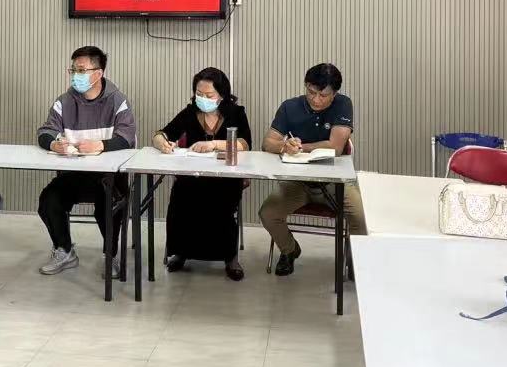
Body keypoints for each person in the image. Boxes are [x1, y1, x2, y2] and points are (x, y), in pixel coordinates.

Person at [36, 46, 136, 276]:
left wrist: (101, 145)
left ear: (98, 73)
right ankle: (64, 250)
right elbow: (46, 131)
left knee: (108, 207)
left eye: (81, 70)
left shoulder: (117, 101)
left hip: (110, 176)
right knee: (49, 201)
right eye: (73, 70)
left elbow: (127, 137)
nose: (75, 75)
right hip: (74, 174)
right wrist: (53, 144)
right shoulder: (64, 101)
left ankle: (111, 255)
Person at [258, 63, 365, 277]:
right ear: (306, 86)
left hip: (335, 183)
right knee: (268, 214)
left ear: (335, 93)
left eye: (323, 95)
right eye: (311, 92)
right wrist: (284, 146)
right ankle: (289, 250)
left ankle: (356, 260)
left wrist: (301, 147)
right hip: (298, 183)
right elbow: (267, 142)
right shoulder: (290, 106)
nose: (316, 100)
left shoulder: (343, 104)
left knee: (361, 217)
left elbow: (335, 146)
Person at [153, 68, 252, 281]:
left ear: (222, 95)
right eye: (199, 94)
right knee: (180, 198)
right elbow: (162, 133)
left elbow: (245, 143)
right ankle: (181, 252)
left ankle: (230, 257)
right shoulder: (190, 113)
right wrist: (162, 142)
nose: (203, 99)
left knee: (222, 203)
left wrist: (214, 144)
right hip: (193, 176)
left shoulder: (235, 113)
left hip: (226, 178)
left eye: (209, 95)